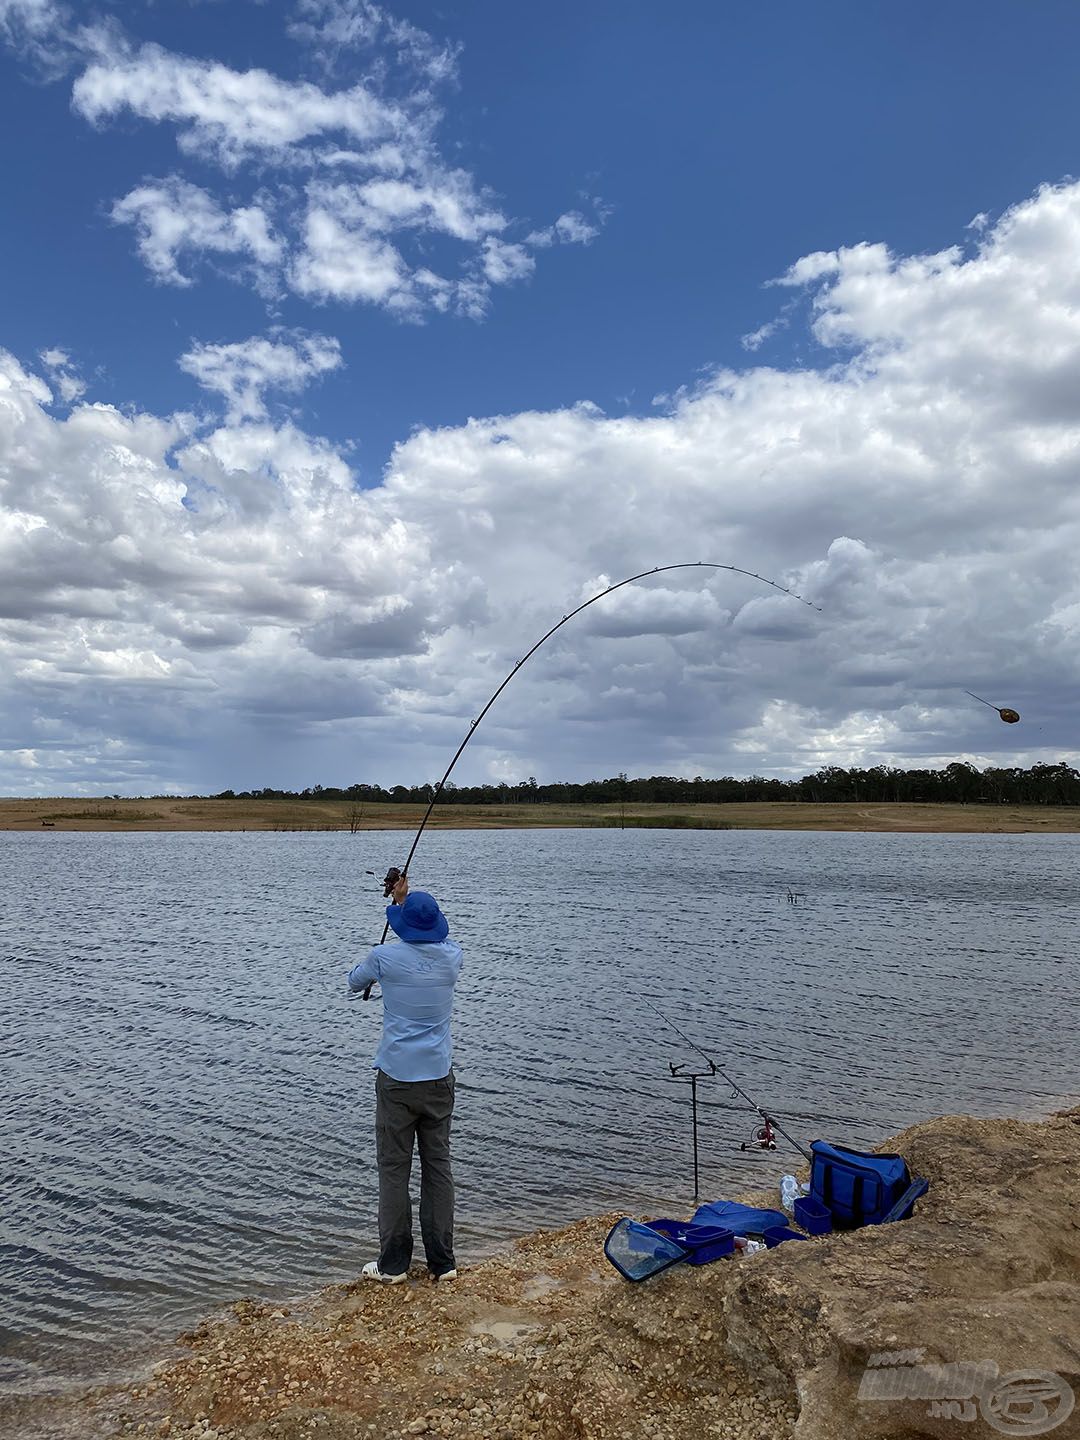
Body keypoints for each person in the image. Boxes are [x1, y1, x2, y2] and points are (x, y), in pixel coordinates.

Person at [348, 874, 463, 1284]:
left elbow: (353, 983)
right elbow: (431, 939)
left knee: (394, 1168)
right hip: (438, 1078)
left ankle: (393, 1264)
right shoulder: (453, 958)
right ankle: (443, 1262)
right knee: (439, 1165)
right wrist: (403, 901)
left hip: (396, 1080)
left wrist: (395, 903)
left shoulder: (384, 957)